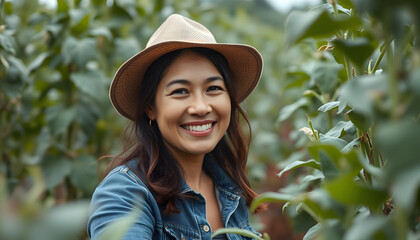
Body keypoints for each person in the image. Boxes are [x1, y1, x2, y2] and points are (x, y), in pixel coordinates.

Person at [87, 13, 263, 240]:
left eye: (213, 88)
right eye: (180, 91)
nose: (200, 107)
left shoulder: (229, 190)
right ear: (151, 107)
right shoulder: (124, 194)